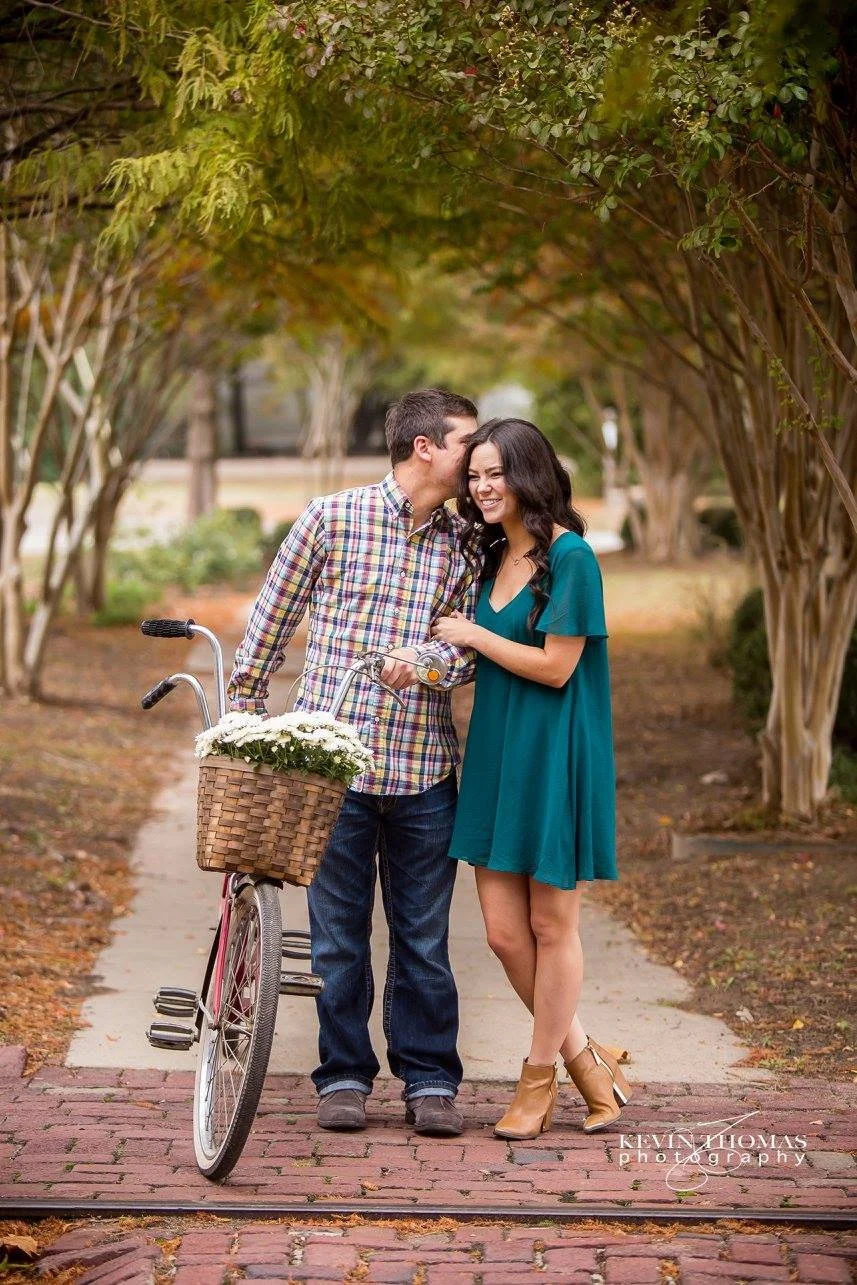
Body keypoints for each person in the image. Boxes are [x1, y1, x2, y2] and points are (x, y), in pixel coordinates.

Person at [227, 388, 479, 1137]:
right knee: (338, 937)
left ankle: (430, 1077)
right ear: (425, 446)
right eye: (468, 440)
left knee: (423, 939)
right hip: (327, 770)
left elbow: (466, 650)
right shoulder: (330, 518)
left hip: (423, 770)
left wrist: (427, 662)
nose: (480, 453)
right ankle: (341, 1074)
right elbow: (268, 626)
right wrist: (245, 723)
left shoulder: (465, 543)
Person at [431, 417, 632, 1141]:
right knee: (502, 933)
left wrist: (475, 634)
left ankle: (538, 1077)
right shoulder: (487, 557)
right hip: (494, 751)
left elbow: (556, 666)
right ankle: (589, 1062)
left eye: (496, 473)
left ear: (529, 475)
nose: (483, 487)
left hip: (553, 752)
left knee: (551, 924)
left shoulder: (571, 557)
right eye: (475, 474)